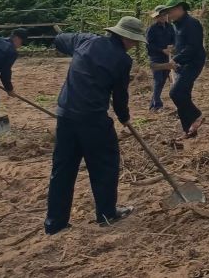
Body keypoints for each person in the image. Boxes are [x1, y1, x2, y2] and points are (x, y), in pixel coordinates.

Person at [43, 17, 146, 234]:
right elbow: (119, 95)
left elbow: (60, 39)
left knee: (62, 170)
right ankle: (106, 213)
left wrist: (69, 45)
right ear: (126, 38)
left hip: (65, 116)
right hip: (92, 119)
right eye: (134, 41)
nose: (134, 45)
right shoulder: (122, 60)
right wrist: (123, 116)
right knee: (105, 165)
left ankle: (55, 223)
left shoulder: (85, 40)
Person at [163, 0, 206, 139]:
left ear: (180, 9)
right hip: (181, 64)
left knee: (175, 93)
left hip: (193, 63)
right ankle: (189, 130)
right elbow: (181, 44)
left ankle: (197, 115)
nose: (169, 14)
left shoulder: (192, 24)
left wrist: (176, 59)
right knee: (183, 95)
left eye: (171, 10)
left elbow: (193, 47)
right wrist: (173, 50)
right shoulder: (176, 24)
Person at [146, 5, 174, 111]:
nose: (162, 17)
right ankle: (157, 104)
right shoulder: (152, 29)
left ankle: (153, 104)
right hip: (155, 58)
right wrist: (162, 50)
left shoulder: (170, 27)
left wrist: (172, 46)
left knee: (162, 81)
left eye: (164, 15)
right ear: (156, 17)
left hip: (166, 58)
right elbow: (149, 45)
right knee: (158, 80)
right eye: (160, 16)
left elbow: (174, 40)